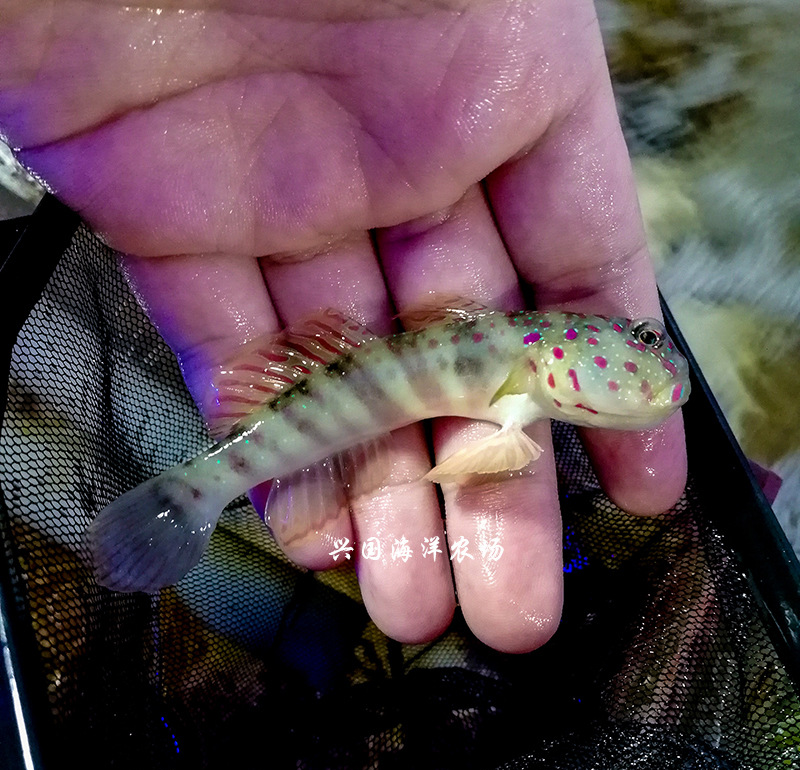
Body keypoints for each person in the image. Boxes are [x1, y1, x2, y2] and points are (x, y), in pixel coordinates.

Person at [0, 0, 686, 653]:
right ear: (565, 358)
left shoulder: (531, 363)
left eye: (642, 348)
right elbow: (488, 453)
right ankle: (196, 492)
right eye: (638, 348)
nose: (644, 362)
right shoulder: (526, 369)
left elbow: (486, 452)